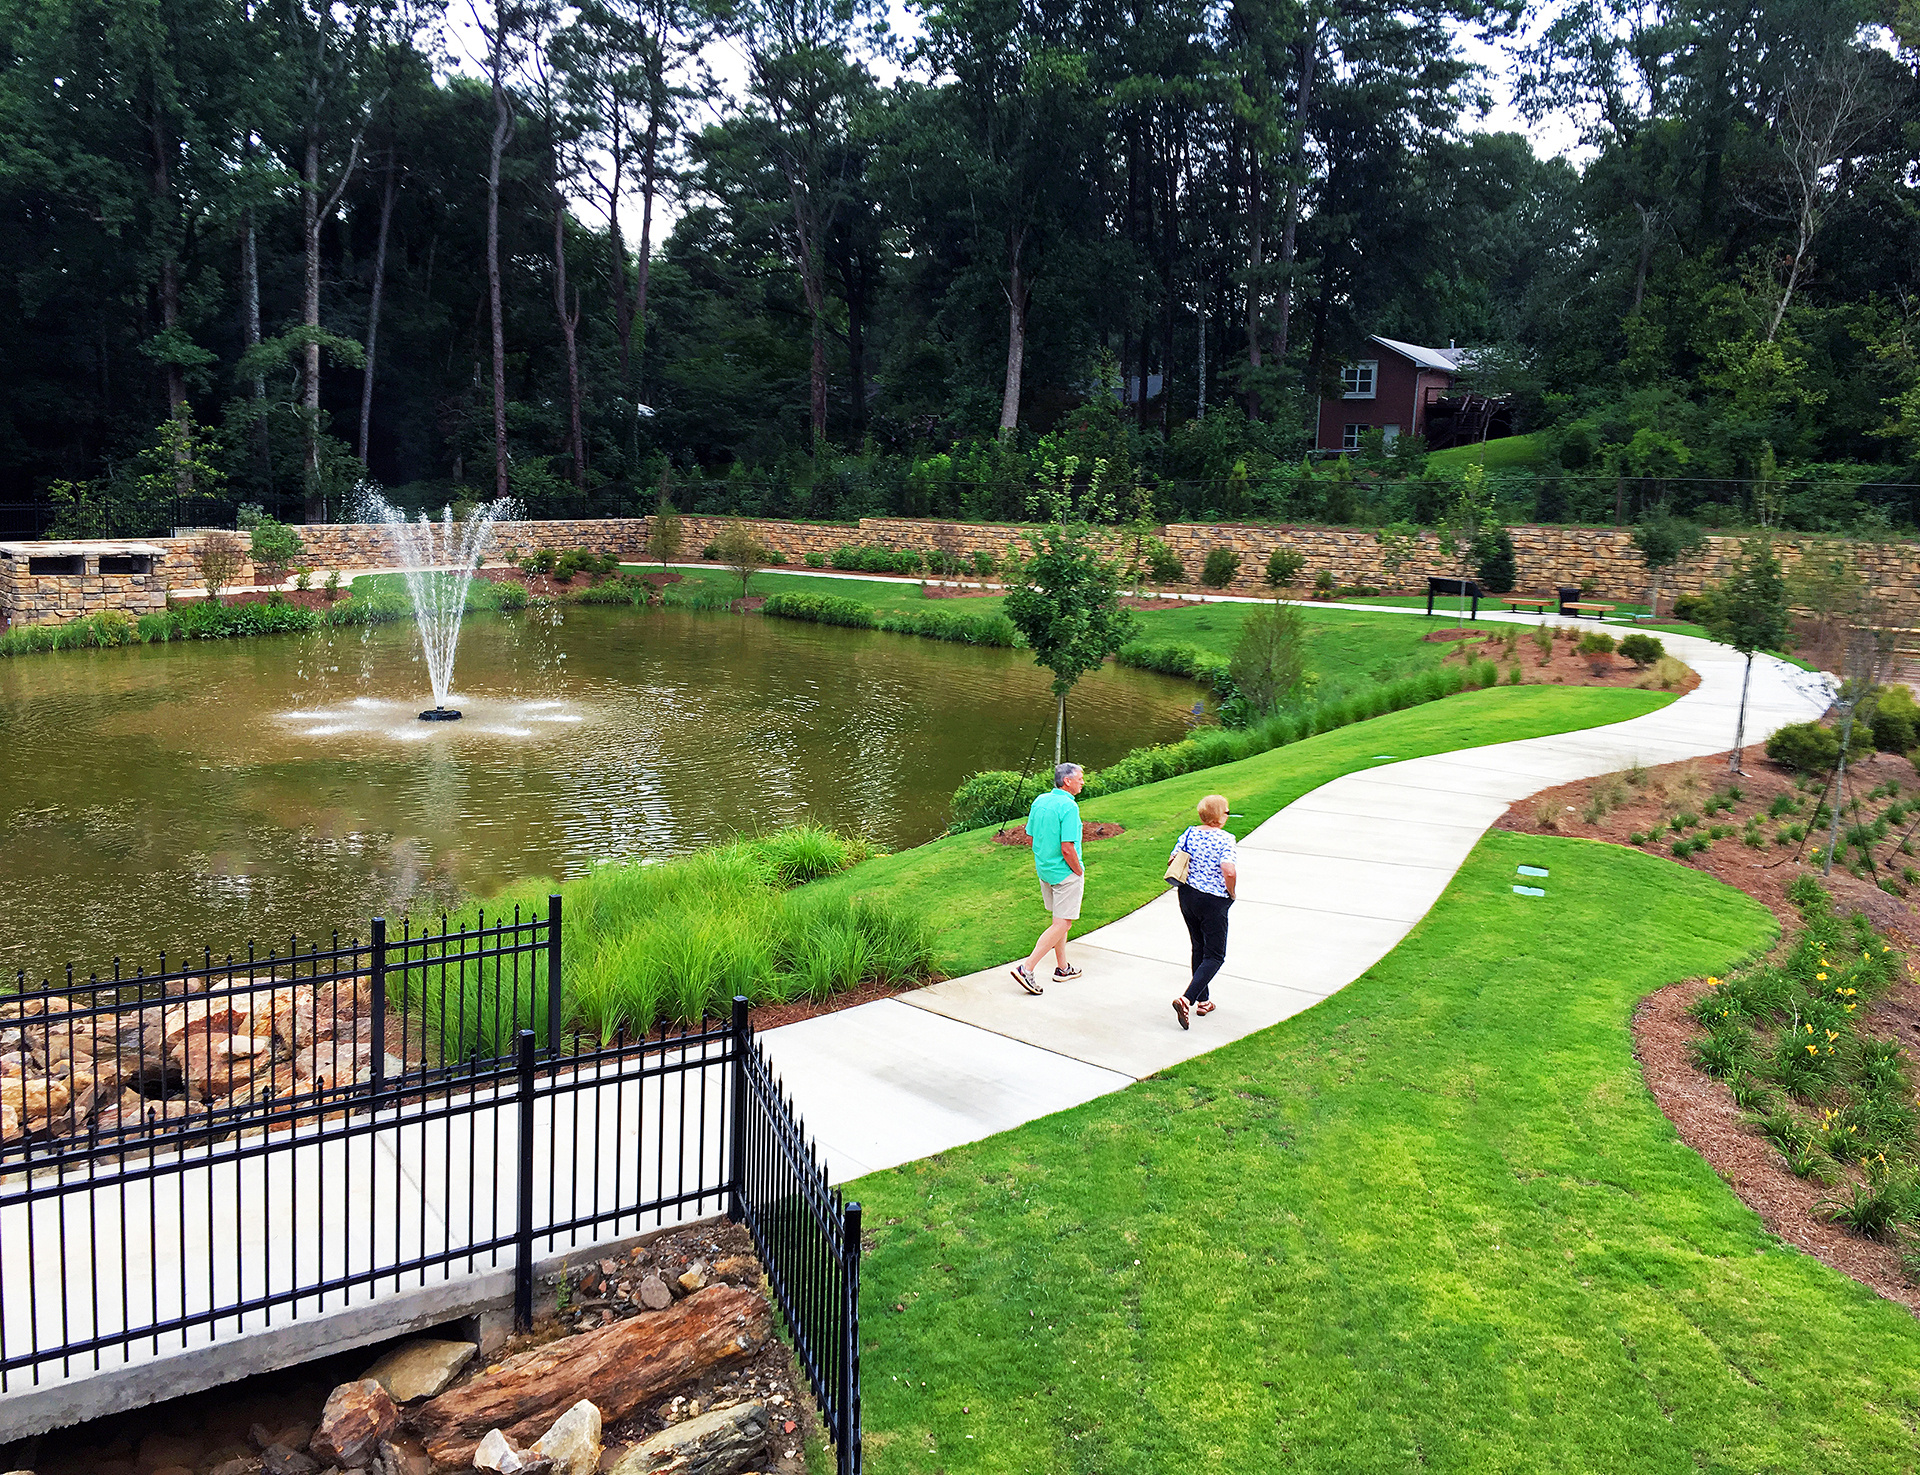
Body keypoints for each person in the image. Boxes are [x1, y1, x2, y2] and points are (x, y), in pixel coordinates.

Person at [1010, 763, 1085, 995]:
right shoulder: (1069, 807)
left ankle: (1063, 968)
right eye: (1080, 778)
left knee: (1058, 920)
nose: (1083, 782)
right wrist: (1078, 870)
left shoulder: (1040, 800)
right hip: (1065, 873)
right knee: (1063, 922)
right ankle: (1027, 968)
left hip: (1045, 870)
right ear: (1067, 782)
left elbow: (1030, 835)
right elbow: (1067, 848)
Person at [1169, 794, 1237, 1029]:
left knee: (1199, 947)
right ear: (1219, 816)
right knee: (1216, 955)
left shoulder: (1188, 833)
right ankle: (1187, 999)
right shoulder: (1226, 839)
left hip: (1187, 896)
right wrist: (1232, 892)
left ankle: (1204, 1001)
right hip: (1213, 901)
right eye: (1226, 812)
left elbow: (1173, 859)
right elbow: (1228, 869)